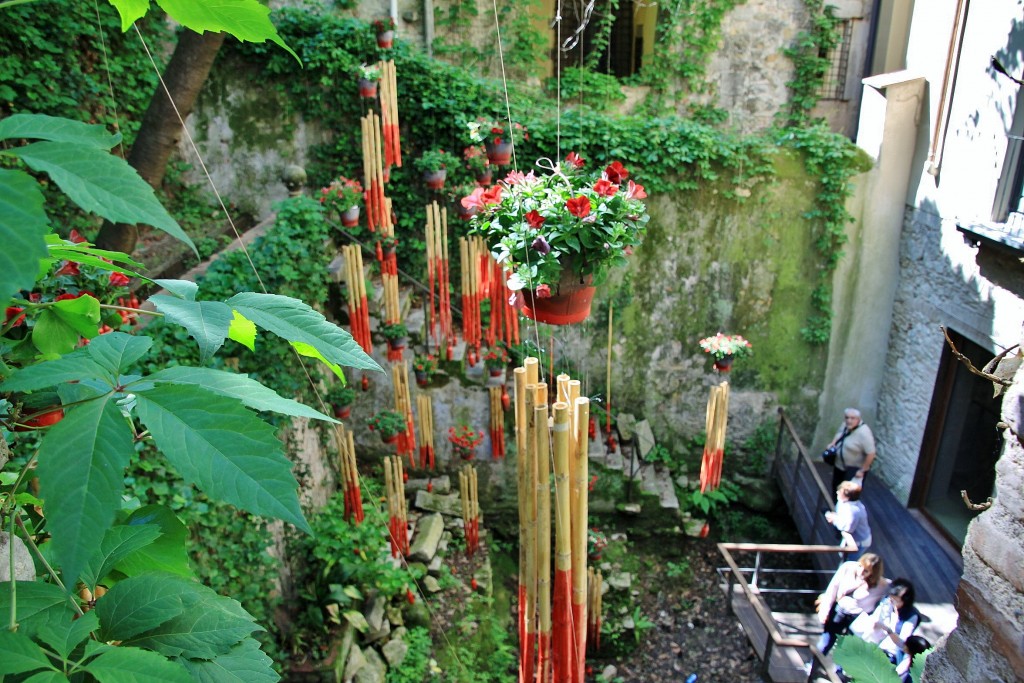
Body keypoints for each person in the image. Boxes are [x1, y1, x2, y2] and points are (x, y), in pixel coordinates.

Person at [815, 553, 889, 656]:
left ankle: (840, 669)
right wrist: (825, 609)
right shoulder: (848, 567)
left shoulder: (881, 585)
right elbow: (833, 588)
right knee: (826, 640)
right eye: (860, 566)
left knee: (849, 647)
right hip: (840, 610)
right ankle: (814, 664)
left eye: (866, 570)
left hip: (858, 617)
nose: (861, 571)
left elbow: (894, 589)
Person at [826, 408, 877, 496]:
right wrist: (833, 443)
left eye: (852, 418)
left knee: (848, 494)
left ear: (858, 419)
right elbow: (840, 433)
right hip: (840, 465)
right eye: (847, 418)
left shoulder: (864, 433)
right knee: (836, 488)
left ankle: (841, 509)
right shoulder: (845, 425)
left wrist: (862, 470)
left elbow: (871, 453)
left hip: (853, 470)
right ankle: (834, 507)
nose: (849, 420)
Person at [825, 481, 872, 559]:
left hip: (859, 542)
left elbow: (848, 528)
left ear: (847, 497)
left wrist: (834, 520)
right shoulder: (846, 503)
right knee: (843, 556)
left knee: (849, 560)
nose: (837, 492)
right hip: (855, 538)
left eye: (840, 492)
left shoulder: (853, 511)